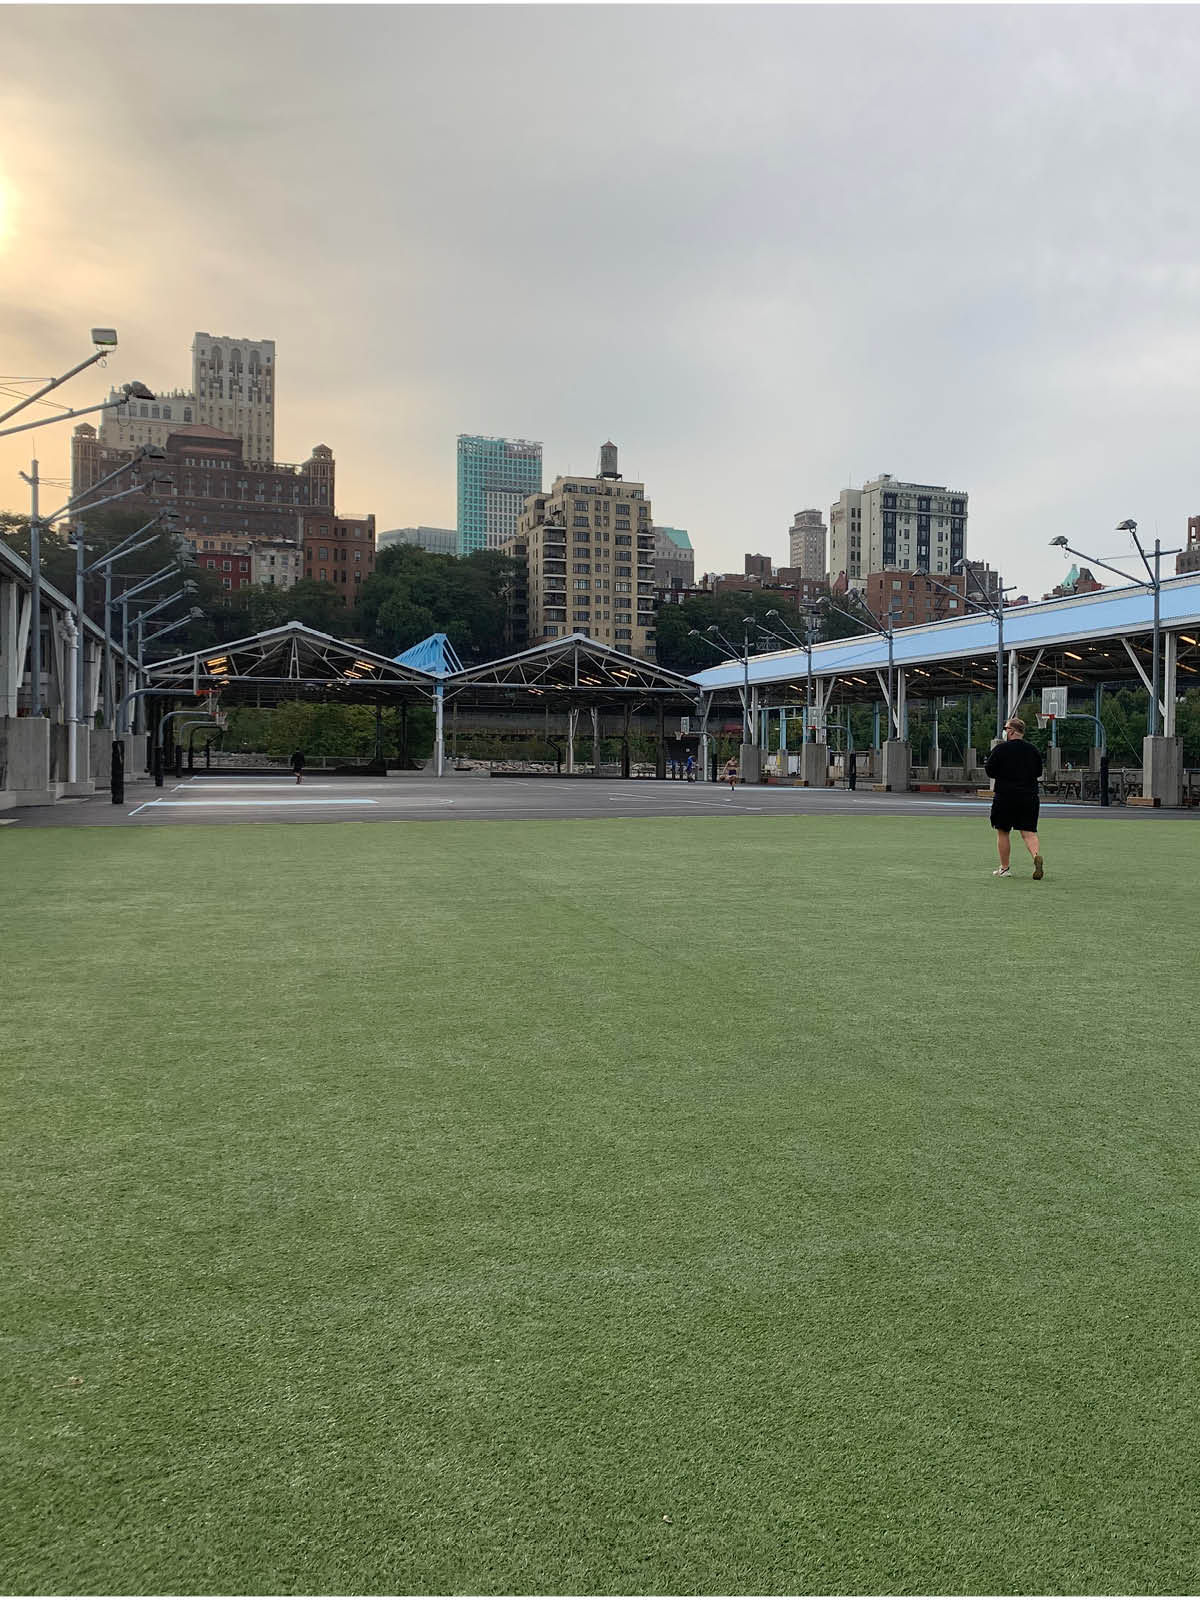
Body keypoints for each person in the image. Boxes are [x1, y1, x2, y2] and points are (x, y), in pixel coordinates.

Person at [984, 717, 1044, 878]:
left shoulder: (1000, 749)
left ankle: (1004, 868)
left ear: (1011, 731)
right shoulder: (1033, 750)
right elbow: (1039, 772)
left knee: (1003, 831)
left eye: (1006, 728)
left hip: (1005, 796)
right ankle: (1036, 855)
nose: (1005, 731)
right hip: (1029, 796)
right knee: (1029, 832)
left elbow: (989, 771)